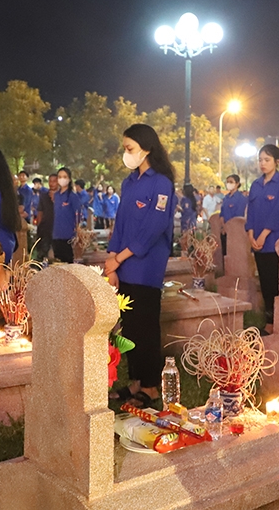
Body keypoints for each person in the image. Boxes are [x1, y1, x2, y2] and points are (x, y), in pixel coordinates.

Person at [105, 123, 176, 409]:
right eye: (125, 148)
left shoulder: (161, 183)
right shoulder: (129, 182)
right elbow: (121, 223)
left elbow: (154, 227)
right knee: (130, 327)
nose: (127, 153)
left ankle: (150, 386)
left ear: (146, 148)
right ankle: (135, 381)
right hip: (123, 262)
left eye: (130, 148)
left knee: (145, 327)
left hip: (146, 265)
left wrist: (120, 257)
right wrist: (112, 259)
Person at [245, 144, 279, 327]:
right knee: (265, 283)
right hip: (258, 244)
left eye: (267, 160)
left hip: (275, 243)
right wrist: (251, 234)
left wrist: (264, 234)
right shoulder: (256, 185)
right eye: (260, 160)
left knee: (277, 283)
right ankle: (269, 322)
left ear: (277, 162)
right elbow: (251, 211)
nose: (262, 164)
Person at [52, 168, 81, 263]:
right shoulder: (56, 195)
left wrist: (77, 231)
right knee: (58, 263)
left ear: (69, 179)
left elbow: (78, 214)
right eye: (60, 177)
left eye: (64, 177)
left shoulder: (73, 196)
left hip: (68, 236)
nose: (62, 179)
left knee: (68, 263)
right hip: (56, 234)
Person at [219, 174, 247, 255]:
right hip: (224, 231)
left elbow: (238, 215)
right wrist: (223, 226)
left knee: (234, 254)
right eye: (227, 182)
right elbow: (222, 213)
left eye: (231, 182)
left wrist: (228, 227)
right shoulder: (226, 198)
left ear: (237, 183)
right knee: (225, 254)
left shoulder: (241, 198)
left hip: (235, 231)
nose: (228, 184)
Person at [34, 173, 57, 262]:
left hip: (58, 228)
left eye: (54, 181)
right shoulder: (43, 195)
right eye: (50, 181)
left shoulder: (63, 196)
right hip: (46, 227)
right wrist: (39, 226)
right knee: (42, 252)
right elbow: (40, 212)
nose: (52, 183)